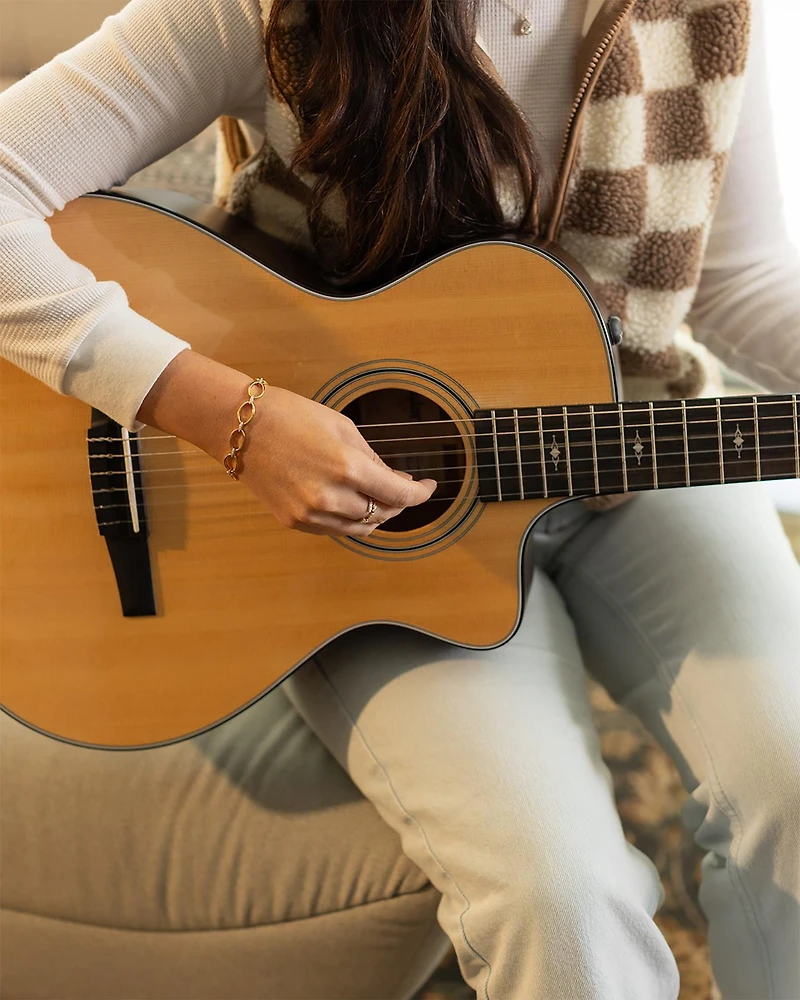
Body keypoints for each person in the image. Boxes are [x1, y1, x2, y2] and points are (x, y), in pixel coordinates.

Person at [1, 0, 799, 996]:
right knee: (554, 899)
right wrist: (225, 417)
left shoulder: (709, 12)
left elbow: (737, 276)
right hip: (339, 530)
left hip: (633, 441)